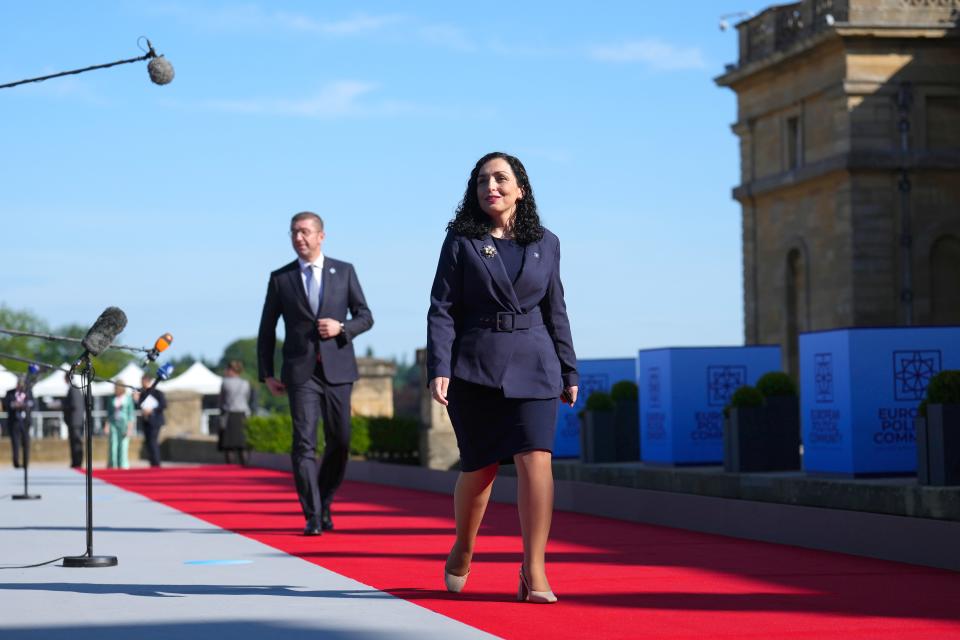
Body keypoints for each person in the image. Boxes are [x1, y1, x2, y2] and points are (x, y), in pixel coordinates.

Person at [427, 152, 579, 604]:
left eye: (500, 179)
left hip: (536, 364)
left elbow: (556, 309)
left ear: (521, 189)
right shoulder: (461, 240)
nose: (490, 187)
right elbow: (442, 308)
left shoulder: (547, 243)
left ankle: (533, 570)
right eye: (481, 181)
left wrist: (569, 367)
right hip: (476, 368)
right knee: (481, 468)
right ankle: (464, 546)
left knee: (537, 459)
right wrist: (440, 366)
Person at [257, 211, 374, 536]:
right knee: (304, 443)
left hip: (338, 369)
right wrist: (266, 372)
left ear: (321, 236)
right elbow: (266, 329)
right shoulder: (281, 278)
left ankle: (325, 501)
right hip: (300, 372)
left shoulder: (344, 271)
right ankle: (312, 514)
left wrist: (342, 327)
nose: (299, 238)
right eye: (294, 232)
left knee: (341, 440)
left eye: (305, 231)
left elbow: (366, 316)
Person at [219, 360, 252, 465]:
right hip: (243, 415)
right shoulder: (245, 383)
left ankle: (230, 468)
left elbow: (221, 400)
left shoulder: (225, 382)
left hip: (230, 415)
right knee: (243, 445)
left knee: (229, 446)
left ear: (231, 370)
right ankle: (245, 466)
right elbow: (247, 398)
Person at [3, 376, 35, 468]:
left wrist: (25, 404)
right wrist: (14, 405)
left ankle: (26, 463)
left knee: (26, 443)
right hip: (14, 421)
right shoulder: (10, 393)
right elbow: (6, 405)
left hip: (25, 422)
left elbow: (33, 404)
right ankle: (16, 463)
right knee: (15, 443)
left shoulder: (28, 393)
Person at [136, 373, 167, 467]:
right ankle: (152, 462)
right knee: (148, 442)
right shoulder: (142, 394)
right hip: (146, 421)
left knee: (153, 442)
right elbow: (139, 406)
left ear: (148, 381)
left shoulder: (157, 393)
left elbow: (163, 405)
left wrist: (151, 410)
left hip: (155, 421)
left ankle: (156, 463)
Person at [104, 382, 135, 469]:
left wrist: (130, 428)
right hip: (113, 423)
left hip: (124, 424)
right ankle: (112, 465)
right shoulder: (111, 398)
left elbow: (131, 415)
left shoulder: (128, 399)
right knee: (113, 445)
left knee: (123, 446)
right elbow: (109, 413)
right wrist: (106, 426)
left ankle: (123, 465)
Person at [62, 372, 84, 468]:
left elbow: (74, 405)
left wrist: (63, 406)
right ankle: (75, 461)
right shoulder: (74, 388)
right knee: (74, 442)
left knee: (76, 442)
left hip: (75, 421)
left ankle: (77, 462)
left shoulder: (73, 389)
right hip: (75, 421)